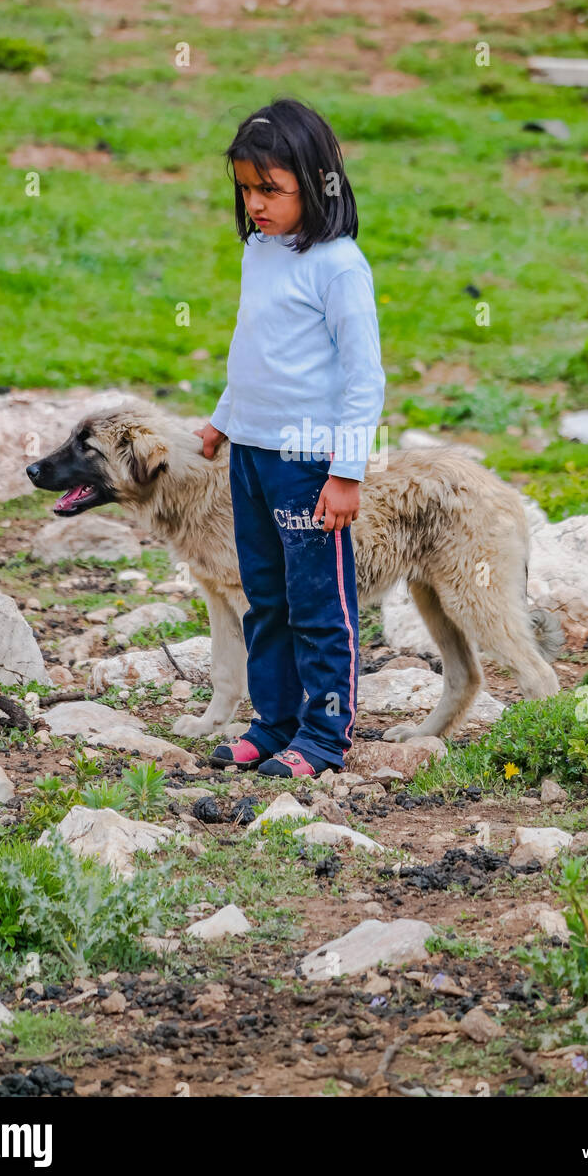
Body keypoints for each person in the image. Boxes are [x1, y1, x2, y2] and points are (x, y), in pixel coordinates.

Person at [194, 99, 385, 778]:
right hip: (250, 454)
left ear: (318, 180)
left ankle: (325, 736)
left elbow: (364, 377)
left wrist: (347, 472)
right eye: (246, 188)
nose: (255, 203)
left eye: (270, 189)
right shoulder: (260, 249)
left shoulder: (338, 266)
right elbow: (257, 349)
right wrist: (224, 418)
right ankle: (274, 722)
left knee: (317, 605)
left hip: (308, 464)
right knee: (265, 596)